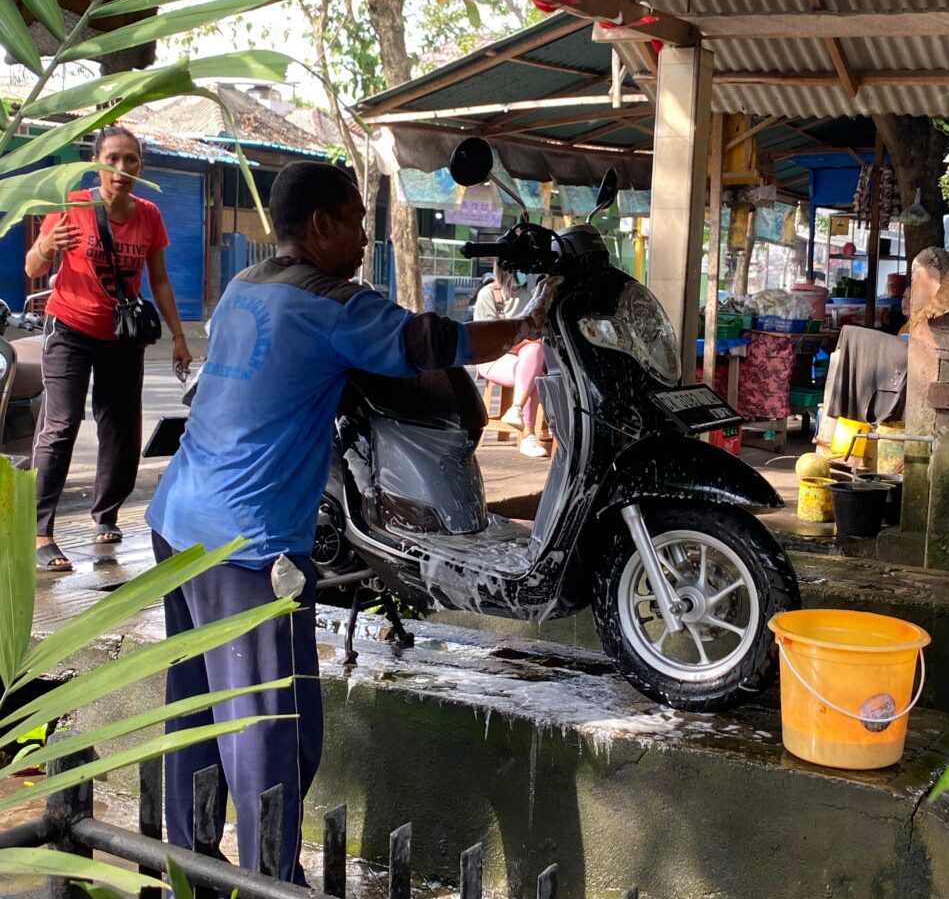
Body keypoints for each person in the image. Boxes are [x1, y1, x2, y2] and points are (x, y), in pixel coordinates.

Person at [144, 161, 557, 885]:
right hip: (246, 544)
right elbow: (433, 344)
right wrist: (527, 326)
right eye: (357, 221)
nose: (366, 236)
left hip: (177, 521)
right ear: (321, 225)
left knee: (198, 710)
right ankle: (272, 880)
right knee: (267, 731)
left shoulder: (245, 287)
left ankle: (188, 862)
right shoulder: (332, 305)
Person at [25, 126, 191, 572]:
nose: (121, 168)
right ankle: (40, 531)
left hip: (122, 333)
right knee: (60, 424)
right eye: (112, 159)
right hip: (70, 328)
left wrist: (178, 336)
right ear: (96, 163)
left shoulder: (149, 215)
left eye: (131, 160)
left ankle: (107, 513)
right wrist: (45, 245)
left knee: (120, 427)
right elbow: (33, 266)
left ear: (141, 166)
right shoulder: (72, 206)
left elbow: (158, 279)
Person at [473, 262, 549, 458]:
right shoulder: (488, 295)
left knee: (533, 353)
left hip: (526, 359)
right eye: (514, 271)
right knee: (533, 362)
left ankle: (516, 409)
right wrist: (521, 341)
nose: (520, 275)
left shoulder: (533, 294)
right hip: (493, 358)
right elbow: (486, 339)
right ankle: (527, 435)